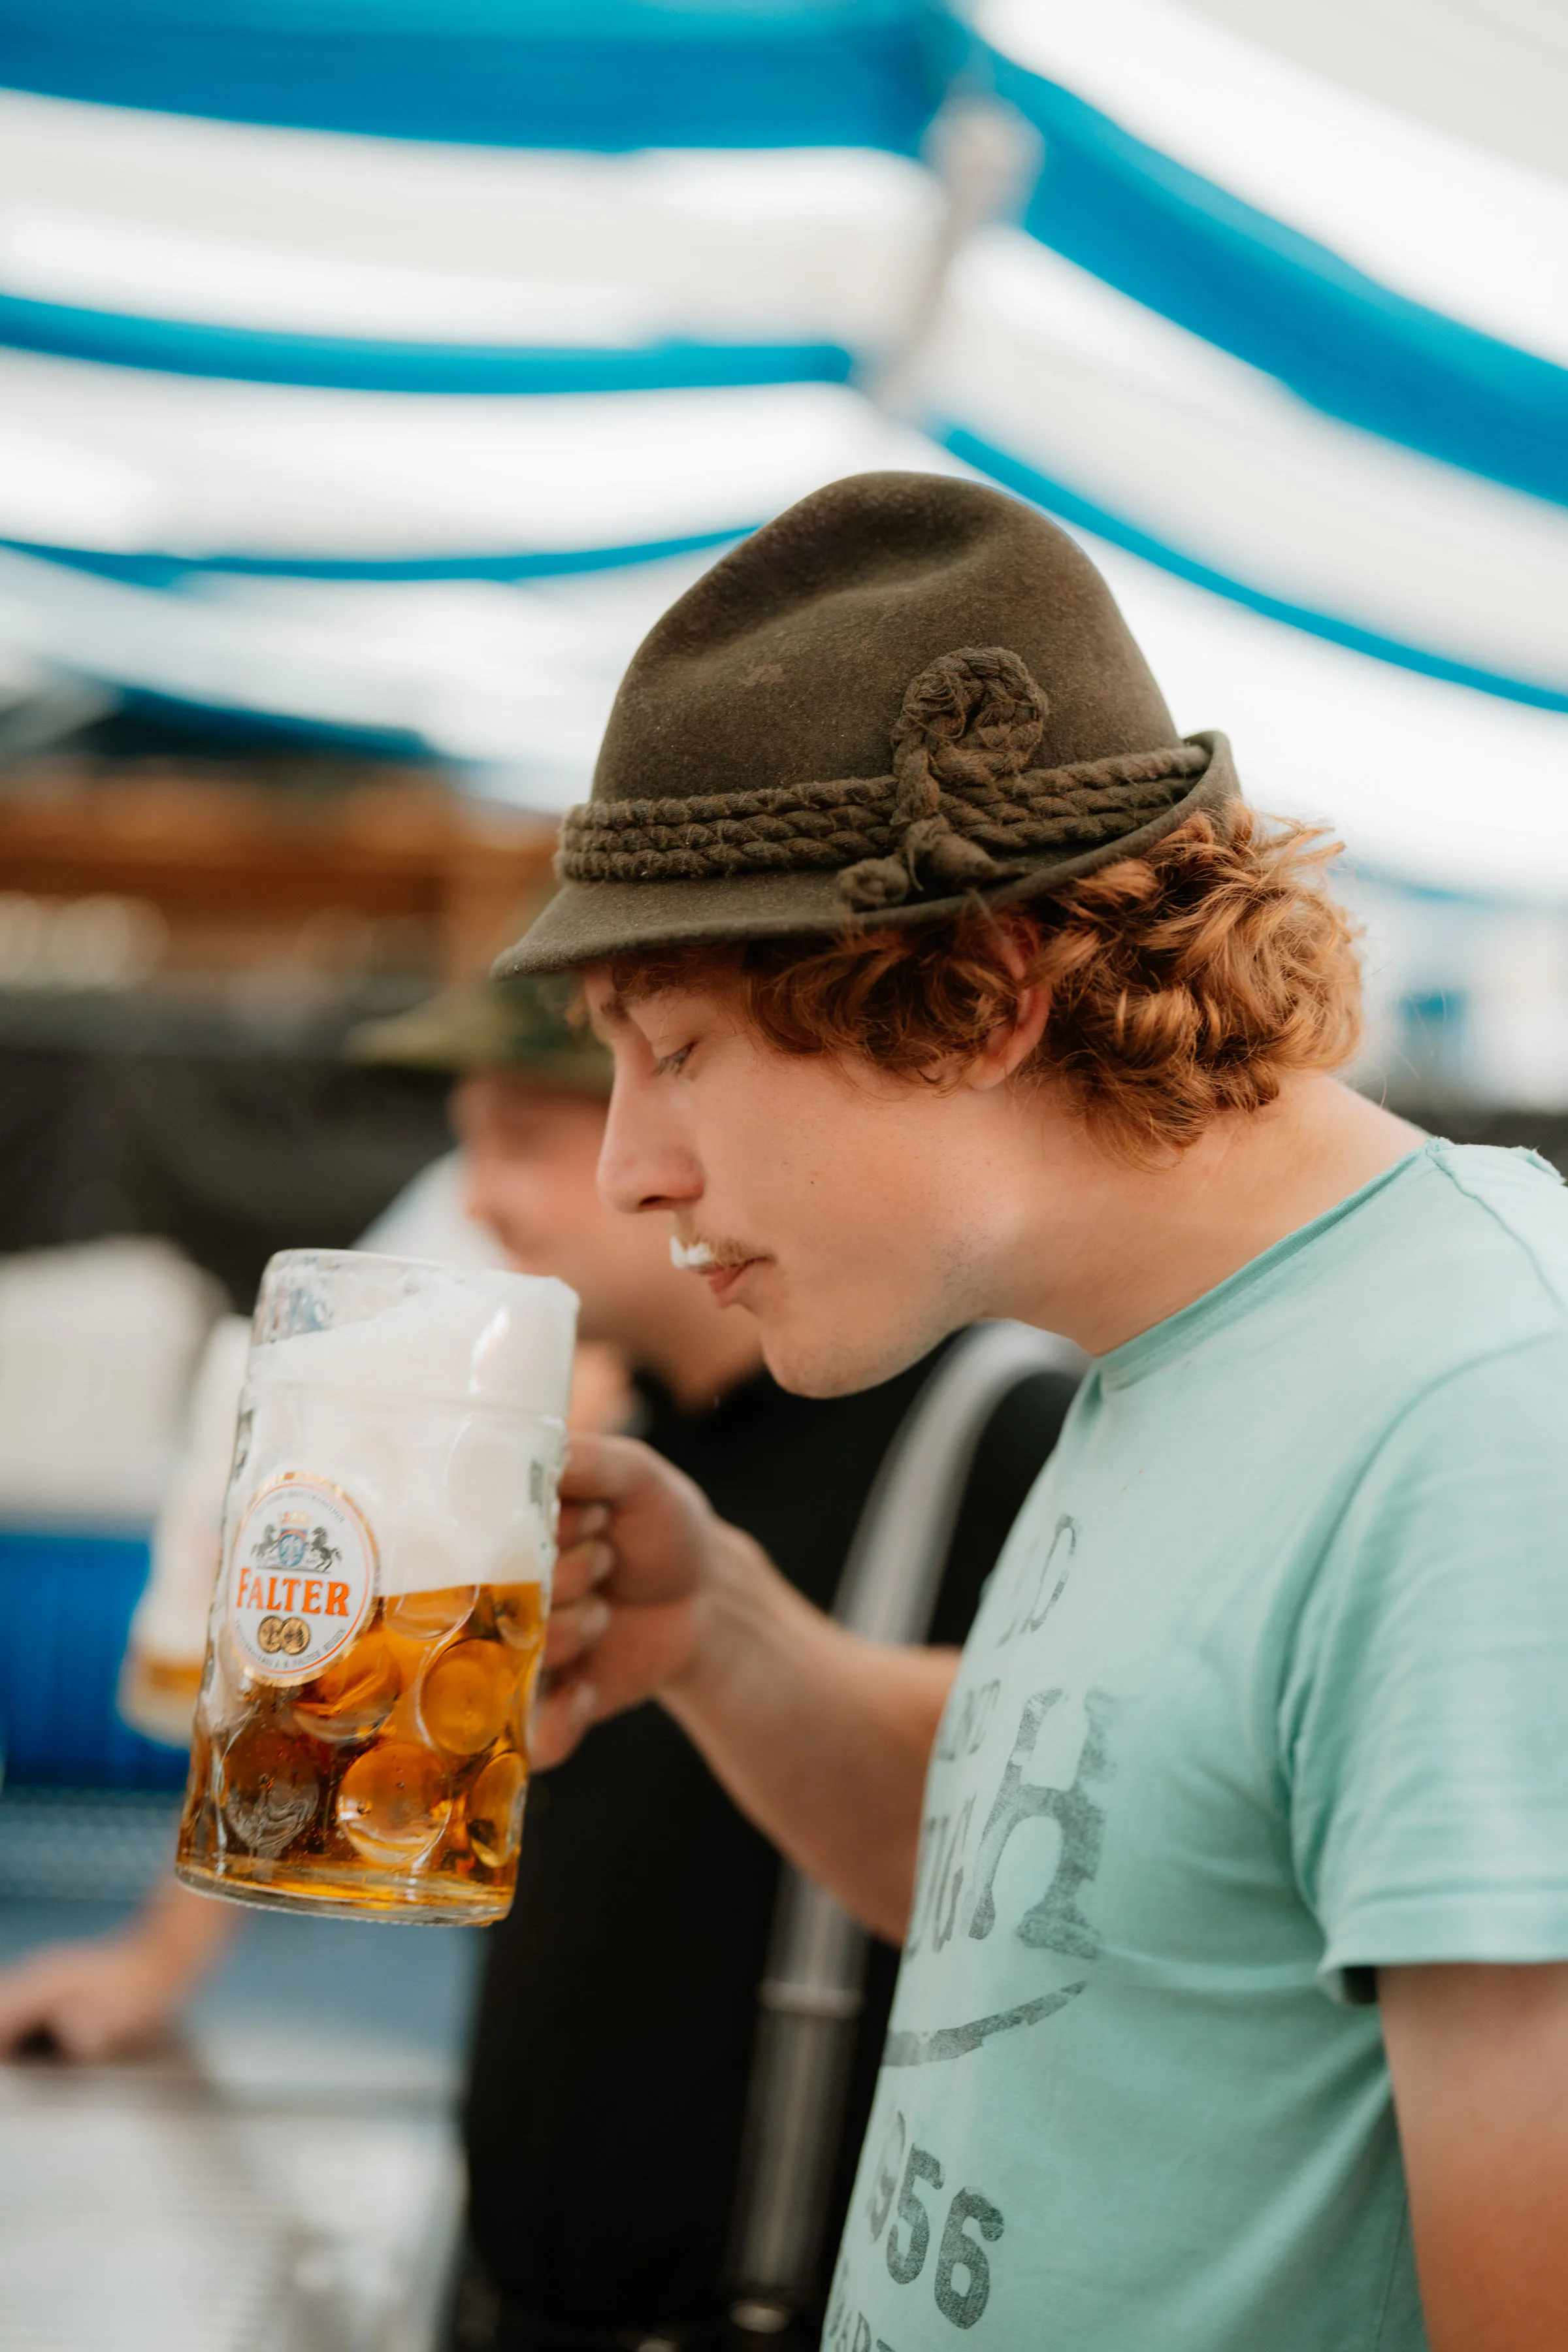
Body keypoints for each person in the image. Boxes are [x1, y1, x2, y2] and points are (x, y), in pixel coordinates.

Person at [497, 469, 1568, 2352]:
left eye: (676, 1050)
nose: (630, 1167)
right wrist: (729, 1636)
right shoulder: (1193, 1343)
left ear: (983, 991)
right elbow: (1100, 1901)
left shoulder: (1485, 1423)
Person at [0, 957, 1079, 2352]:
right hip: (517, 2286)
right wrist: (167, 1953)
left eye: (519, 1139)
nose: (479, 1199)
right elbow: (333, 1696)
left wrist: (735, 1645)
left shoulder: (995, 1432)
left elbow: (1036, 1826)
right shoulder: (595, 1440)